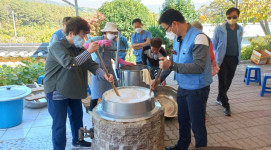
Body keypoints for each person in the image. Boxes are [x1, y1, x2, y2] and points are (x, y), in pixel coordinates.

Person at [44, 17, 114, 150]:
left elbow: (91, 64)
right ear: (71, 34)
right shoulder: (57, 46)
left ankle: (78, 140)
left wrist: (104, 74)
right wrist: (89, 51)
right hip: (57, 90)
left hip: (73, 88)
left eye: (86, 34)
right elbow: (70, 63)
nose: (86, 38)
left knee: (77, 117)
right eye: (83, 34)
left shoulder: (79, 48)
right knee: (59, 124)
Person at [151, 9, 212, 150]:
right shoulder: (178, 39)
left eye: (166, 28)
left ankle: (201, 147)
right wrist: (158, 79)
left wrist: (171, 64)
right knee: (183, 119)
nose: (167, 32)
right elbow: (172, 61)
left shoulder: (199, 37)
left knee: (197, 124)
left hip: (197, 88)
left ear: (175, 24)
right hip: (183, 86)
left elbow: (198, 67)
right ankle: (182, 145)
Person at [87, 22, 134, 112]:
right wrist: (99, 43)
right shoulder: (97, 39)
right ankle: (91, 111)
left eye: (114, 33)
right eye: (110, 32)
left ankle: (113, 108)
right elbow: (86, 45)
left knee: (114, 88)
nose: (112, 34)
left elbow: (114, 57)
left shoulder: (112, 43)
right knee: (96, 93)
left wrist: (125, 62)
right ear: (105, 32)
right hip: (98, 69)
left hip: (109, 69)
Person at [212, 7, 243, 116]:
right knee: (223, 82)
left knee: (229, 81)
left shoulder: (240, 29)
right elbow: (214, 44)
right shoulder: (220, 29)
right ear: (226, 17)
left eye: (234, 17)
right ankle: (226, 106)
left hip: (234, 59)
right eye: (229, 17)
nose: (231, 19)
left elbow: (239, 43)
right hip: (223, 59)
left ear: (238, 17)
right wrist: (216, 58)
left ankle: (220, 98)